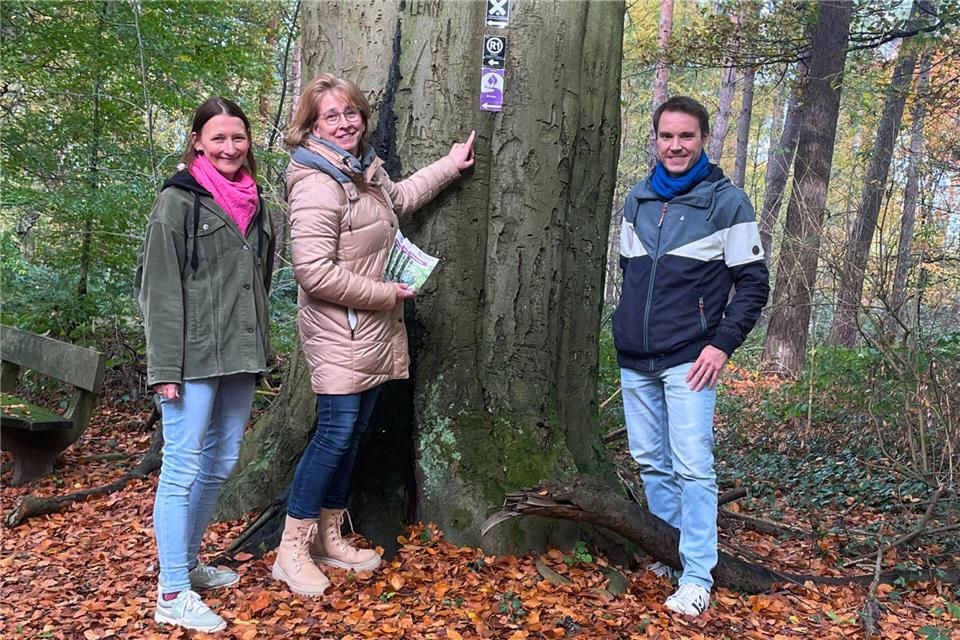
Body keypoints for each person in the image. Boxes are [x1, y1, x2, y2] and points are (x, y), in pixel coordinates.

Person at [271, 73, 475, 596]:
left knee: (354, 432)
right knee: (335, 434)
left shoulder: (361, 172)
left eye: (351, 113)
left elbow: (400, 199)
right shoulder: (317, 182)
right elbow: (312, 273)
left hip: (368, 328)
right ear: (312, 126)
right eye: (331, 117)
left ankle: (327, 537)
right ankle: (290, 550)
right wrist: (384, 294)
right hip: (340, 328)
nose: (345, 124)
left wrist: (451, 165)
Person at [613, 96, 769, 616]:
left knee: (693, 469)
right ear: (655, 140)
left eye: (686, 136)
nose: (675, 145)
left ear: (703, 139)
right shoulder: (636, 199)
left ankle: (698, 574)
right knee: (652, 465)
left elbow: (752, 285)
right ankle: (667, 553)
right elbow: (628, 275)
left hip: (691, 360)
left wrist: (721, 346)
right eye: (666, 136)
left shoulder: (728, 204)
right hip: (635, 357)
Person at [135, 97, 274, 632]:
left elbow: (256, 281)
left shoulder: (257, 200)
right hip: (189, 359)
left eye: (237, 138)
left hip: (240, 354)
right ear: (197, 141)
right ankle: (171, 591)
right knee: (182, 468)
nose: (229, 148)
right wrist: (163, 368)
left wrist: (261, 346)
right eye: (218, 138)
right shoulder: (178, 201)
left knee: (222, 461)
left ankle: (189, 565)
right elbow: (159, 289)